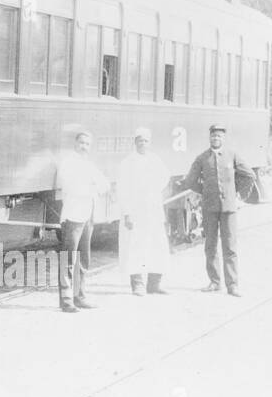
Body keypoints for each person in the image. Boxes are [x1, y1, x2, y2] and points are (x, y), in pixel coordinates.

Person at [181, 123, 256, 297]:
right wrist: (206, 191)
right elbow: (190, 181)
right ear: (210, 138)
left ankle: (232, 285)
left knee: (230, 247)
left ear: (224, 138)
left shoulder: (232, 155)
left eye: (219, 136)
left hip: (229, 209)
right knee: (210, 245)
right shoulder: (202, 158)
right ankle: (215, 282)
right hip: (209, 208)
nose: (216, 139)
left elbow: (249, 175)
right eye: (213, 136)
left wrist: (236, 193)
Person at [53, 127, 109, 313]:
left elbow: (104, 185)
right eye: (81, 143)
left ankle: (80, 295)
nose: (84, 146)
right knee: (69, 257)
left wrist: (90, 185)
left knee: (84, 258)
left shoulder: (89, 164)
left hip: (88, 215)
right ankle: (66, 299)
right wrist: (91, 186)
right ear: (75, 144)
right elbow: (69, 186)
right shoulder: (68, 163)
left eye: (87, 144)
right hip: (73, 215)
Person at [116, 127, 171, 296]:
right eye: (140, 140)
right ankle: (138, 284)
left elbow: (165, 177)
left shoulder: (155, 160)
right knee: (135, 247)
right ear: (135, 142)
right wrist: (127, 213)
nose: (143, 144)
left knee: (157, 246)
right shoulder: (127, 163)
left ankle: (154, 284)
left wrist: (153, 190)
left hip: (152, 210)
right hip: (135, 211)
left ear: (150, 143)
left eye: (146, 141)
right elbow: (122, 189)